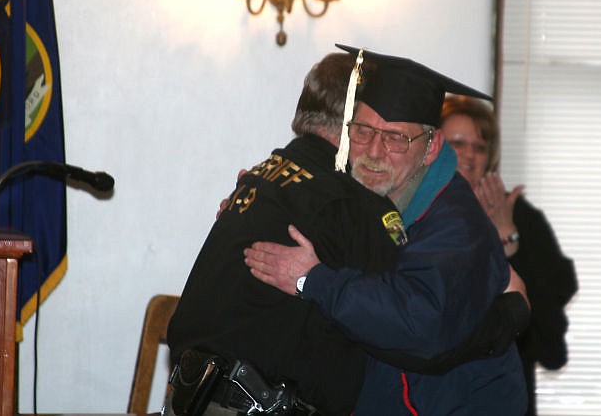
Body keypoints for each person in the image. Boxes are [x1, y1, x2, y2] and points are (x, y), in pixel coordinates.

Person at [167, 52, 529, 416]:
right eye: (363, 131)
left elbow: (418, 333)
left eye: (395, 139)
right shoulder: (350, 201)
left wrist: (312, 279)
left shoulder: (451, 222)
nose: (374, 151)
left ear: (430, 147)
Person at [440, 95, 578, 416]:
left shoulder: (519, 213)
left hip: (504, 389)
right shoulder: (416, 208)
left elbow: (548, 336)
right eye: (458, 143)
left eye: (480, 146)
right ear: (433, 146)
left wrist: (509, 240)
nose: (470, 155)